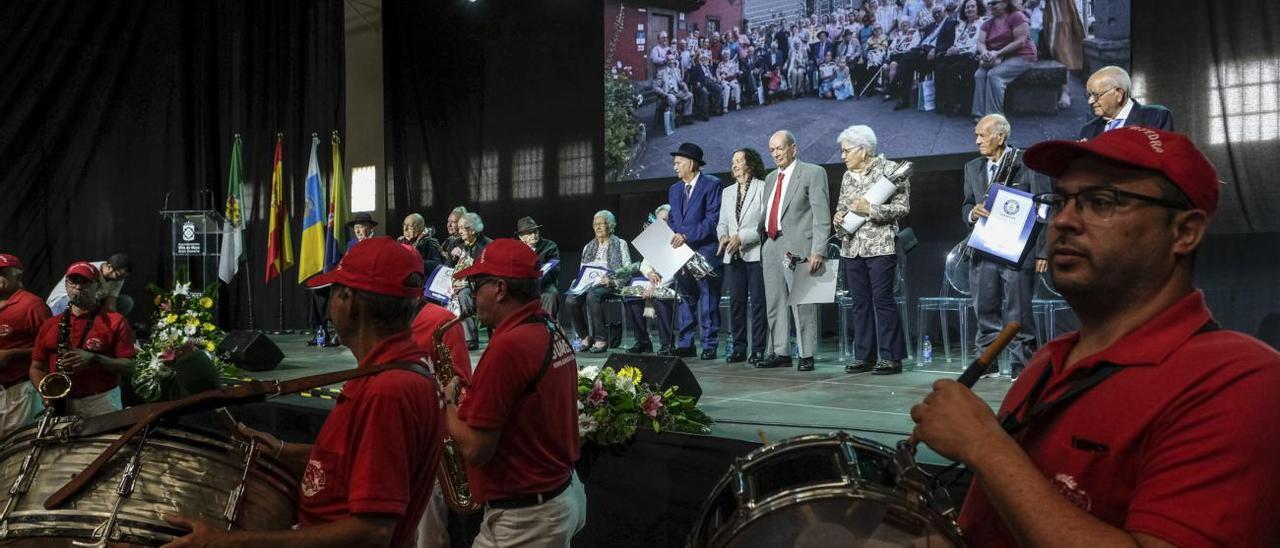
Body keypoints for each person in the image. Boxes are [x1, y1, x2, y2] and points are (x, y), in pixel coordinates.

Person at [912, 126, 1280, 547]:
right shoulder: (1048, 363)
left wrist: (984, 446)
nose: (1064, 220)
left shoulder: (1241, 383)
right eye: (1061, 200)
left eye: (1102, 202)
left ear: (1184, 232)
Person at [166, 236, 445, 547]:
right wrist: (282, 450)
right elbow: (354, 462)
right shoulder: (392, 371)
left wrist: (229, 542)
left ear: (349, 302)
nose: (329, 306)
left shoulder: (388, 390)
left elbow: (373, 532)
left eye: (332, 294)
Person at [446, 239, 587, 547]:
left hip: (527, 518)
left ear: (499, 289)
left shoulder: (509, 347)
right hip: (558, 495)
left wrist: (446, 406)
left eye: (475, 284)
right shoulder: (548, 325)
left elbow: (477, 449)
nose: (472, 295)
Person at [962, 114, 1049, 379]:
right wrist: (972, 213)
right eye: (976, 135)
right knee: (984, 308)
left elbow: (1046, 207)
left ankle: (1022, 365)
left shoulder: (1028, 163)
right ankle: (986, 363)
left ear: (1000, 136)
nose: (977, 140)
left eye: (982, 135)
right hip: (985, 248)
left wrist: (1043, 250)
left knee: (1017, 311)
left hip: (1018, 252)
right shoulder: (972, 167)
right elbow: (966, 204)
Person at [831, 126, 910, 375]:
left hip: (880, 247)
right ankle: (864, 355)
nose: (842, 156)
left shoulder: (890, 170)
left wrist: (871, 210)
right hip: (851, 247)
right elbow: (842, 206)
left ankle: (891, 357)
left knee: (882, 301)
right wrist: (838, 216)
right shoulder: (847, 176)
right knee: (859, 303)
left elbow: (902, 208)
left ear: (863, 150)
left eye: (846, 151)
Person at [758, 130, 831, 372]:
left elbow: (821, 216)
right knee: (775, 301)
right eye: (772, 150)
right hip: (771, 243)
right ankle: (780, 351)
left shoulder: (812, 173)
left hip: (799, 245)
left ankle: (806, 354)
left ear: (793, 148)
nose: (776, 153)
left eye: (780, 148)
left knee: (802, 302)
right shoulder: (770, 178)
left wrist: (818, 250)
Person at [29, 262, 136, 417]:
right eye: (73, 282)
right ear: (66, 286)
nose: (78, 287)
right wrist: (46, 394)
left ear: (98, 286)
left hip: (100, 403)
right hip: (60, 404)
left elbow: (131, 367)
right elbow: (36, 367)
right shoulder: (50, 324)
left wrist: (95, 358)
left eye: (85, 282)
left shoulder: (115, 321)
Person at [409, 296, 472, 548]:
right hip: (397, 440)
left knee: (428, 538)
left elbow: (462, 380)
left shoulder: (441, 321)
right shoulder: (379, 322)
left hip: (433, 447)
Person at [667, 143, 723, 360]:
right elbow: (673, 220)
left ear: (691, 163)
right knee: (686, 299)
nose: (675, 167)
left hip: (705, 252)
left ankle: (709, 344)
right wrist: (672, 236)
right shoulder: (674, 189)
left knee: (708, 300)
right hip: (681, 254)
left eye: (678, 162)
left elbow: (713, 220)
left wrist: (686, 236)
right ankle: (686, 343)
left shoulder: (712, 185)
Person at [716, 148, 768, 365]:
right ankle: (738, 348)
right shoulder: (727, 192)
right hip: (732, 255)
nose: (734, 165)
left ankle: (757, 349)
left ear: (750, 163)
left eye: (738, 161)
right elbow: (722, 223)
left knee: (758, 304)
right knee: (736, 303)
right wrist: (724, 237)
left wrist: (742, 237)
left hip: (754, 254)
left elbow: (765, 225)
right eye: (732, 161)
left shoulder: (763, 188)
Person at [565, 210, 631, 353]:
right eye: (595, 224)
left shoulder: (620, 244)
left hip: (610, 284)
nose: (598, 227)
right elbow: (583, 270)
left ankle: (601, 339)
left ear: (611, 226)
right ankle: (585, 336)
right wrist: (577, 281)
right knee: (571, 300)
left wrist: (613, 282)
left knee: (592, 296)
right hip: (589, 284)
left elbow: (627, 270)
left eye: (602, 224)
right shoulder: (588, 247)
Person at [0, 254, 51, 438]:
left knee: (20, 443)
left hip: (21, 389)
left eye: (2, 273)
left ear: (18, 276)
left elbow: (52, 348)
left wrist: (13, 353)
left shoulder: (32, 305)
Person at [622, 206, 677, 355]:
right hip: (653, 282)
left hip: (671, 285)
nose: (662, 225)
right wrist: (650, 272)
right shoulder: (656, 239)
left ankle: (667, 344)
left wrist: (655, 287)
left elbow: (674, 271)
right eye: (659, 222)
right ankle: (643, 341)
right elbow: (644, 264)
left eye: (665, 221)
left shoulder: (676, 240)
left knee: (660, 297)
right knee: (632, 295)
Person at [971, 0, 1036, 120]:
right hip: (1001, 57)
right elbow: (980, 42)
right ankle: (979, 114)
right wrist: (985, 52)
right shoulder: (987, 23)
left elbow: (1020, 41)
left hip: (1022, 56)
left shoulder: (1017, 17)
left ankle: (995, 116)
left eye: (994, 3)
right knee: (979, 74)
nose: (991, 6)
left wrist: (997, 53)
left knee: (994, 75)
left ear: (1006, 3)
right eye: (989, 3)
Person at [1079, 66, 1174, 139]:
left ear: (1118, 94)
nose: (1090, 101)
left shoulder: (1156, 116)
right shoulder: (1088, 130)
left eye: (1096, 95)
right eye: (1088, 95)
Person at [446, 212, 492, 350]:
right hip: (459, 285)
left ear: (472, 229)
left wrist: (467, 281)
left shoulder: (488, 245)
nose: (459, 231)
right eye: (458, 228)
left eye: (462, 228)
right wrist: (454, 258)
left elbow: (488, 273)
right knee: (459, 292)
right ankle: (462, 338)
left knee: (464, 293)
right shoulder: (456, 243)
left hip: (481, 285)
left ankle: (470, 339)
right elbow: (448, 268)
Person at [934, 0, 987, 116]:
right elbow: (957, 42)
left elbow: (976, 44)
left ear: (978, 8)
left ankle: (956, 104)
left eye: (973, 6)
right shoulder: (961, 25)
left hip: (970, 56)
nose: (969, 9)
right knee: (939, 65)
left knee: (950, 69)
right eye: (967, 7)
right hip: (957, 54)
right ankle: (944, 101)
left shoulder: (982, 24)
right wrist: (952, 49)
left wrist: (958, 50)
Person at [46, 253, 132, 316]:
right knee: (76, 304)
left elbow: (111, 302)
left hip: (92, 301)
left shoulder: (119, 278)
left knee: (125, 302)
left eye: (123, 277)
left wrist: (115, 322)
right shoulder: (90, 270)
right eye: (119, 276)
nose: (120, 279)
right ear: (109, 267)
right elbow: (79, 293)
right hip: (66, 299)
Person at [515, 216, 562, 317]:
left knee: (552, 294)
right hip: (523, 286)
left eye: (535, 231)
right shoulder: (515, 249)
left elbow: (555, 270)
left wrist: (538, 278)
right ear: (521, 237)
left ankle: (549, 327)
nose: (534, 235)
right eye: (529, 233)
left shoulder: (550, 246)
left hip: (544, 285)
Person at [656, 52, 694, 123]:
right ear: (666, 61)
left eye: (672, 60)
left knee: (690, 95)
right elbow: (657, 87)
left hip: (677, 91)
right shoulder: (661, 72)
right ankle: (673, 119)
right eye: (669, 60)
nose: (671, 62)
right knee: (673, 100)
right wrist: (664, 93)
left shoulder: (677, 71)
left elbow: (680, 82)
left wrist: (684, 86)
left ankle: (687, 115)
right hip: (668, 92)